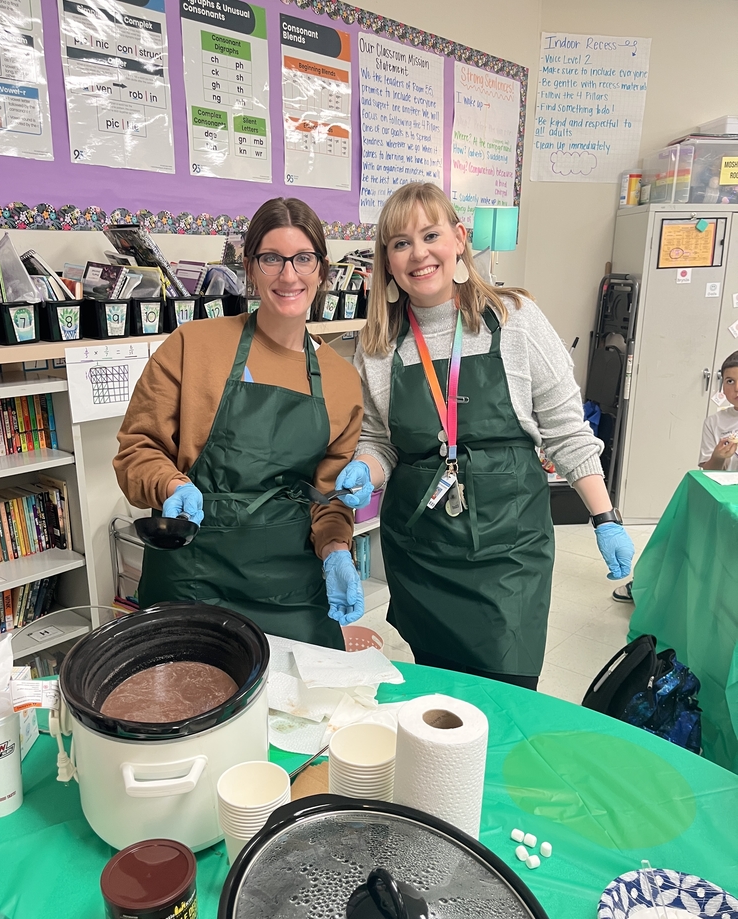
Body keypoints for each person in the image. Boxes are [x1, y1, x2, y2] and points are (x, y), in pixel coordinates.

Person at [335, 182, 635, 689]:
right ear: (387, 259)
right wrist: (365, 469)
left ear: (458, 238)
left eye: (430, 235)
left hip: (508, 549)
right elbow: (380, 442)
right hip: (421, 549)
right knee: (438, 694)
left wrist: (604, 517)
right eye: (401, 243)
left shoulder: (514, 319)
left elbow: (565, 429)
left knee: (507, 688)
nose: (418, 253)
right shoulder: (379, 343)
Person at [114, 197, 365, 649]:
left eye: (303, 259)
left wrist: (335, 550)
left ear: (322, 271)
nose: (288, 275)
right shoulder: (193, 346)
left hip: (291, 590)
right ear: (249, 267)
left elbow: (329, 499)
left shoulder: (342, 381)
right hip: (192, 579)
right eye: (271, 259)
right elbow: (137, 452)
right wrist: (170, 485)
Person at [614, 349, 738, 603]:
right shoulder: (715, 422)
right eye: (730, 381)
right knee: (679, 528)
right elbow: (709, 473)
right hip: (723, 499)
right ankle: (649, 584)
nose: (736, 388)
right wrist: (719, 456)